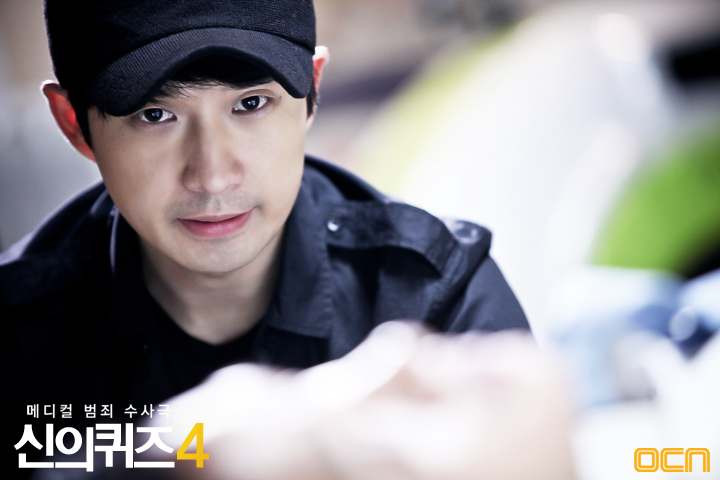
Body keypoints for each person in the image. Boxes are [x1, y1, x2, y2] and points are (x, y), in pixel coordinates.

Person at [1, 0, 527, 476]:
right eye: (155, 115)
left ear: (312, 92)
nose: (212, 177)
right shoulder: (17, 337)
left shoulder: (435, 299)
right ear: (73, 123)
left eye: (251, 104)